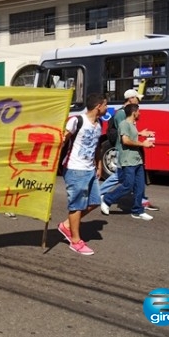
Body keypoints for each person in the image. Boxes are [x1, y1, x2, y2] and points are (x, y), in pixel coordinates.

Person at [57, 93, 108, 255]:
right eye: (106, 105)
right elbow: (62, 140)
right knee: (77, 205)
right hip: (74, 168)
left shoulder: (99, 124)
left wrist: (99, 164)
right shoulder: (77, 121)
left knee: (94, 201)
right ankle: (75, 240)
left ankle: (66, 225)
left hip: (89, 169)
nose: (107, 108)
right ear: (98, 106)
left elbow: (97, 146)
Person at [100, 89, 159, 211]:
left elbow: (129, 131)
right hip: (124, 151)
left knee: (128, 178)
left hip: (130, 151)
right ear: (131, 99)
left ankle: (140, 202)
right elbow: (124, 135)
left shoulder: (127, 113)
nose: (139, 101)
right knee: (121, 178)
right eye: (137, 98)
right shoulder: (122, 114)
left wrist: (140, 133)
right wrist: (142, 142)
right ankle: (100, 195)